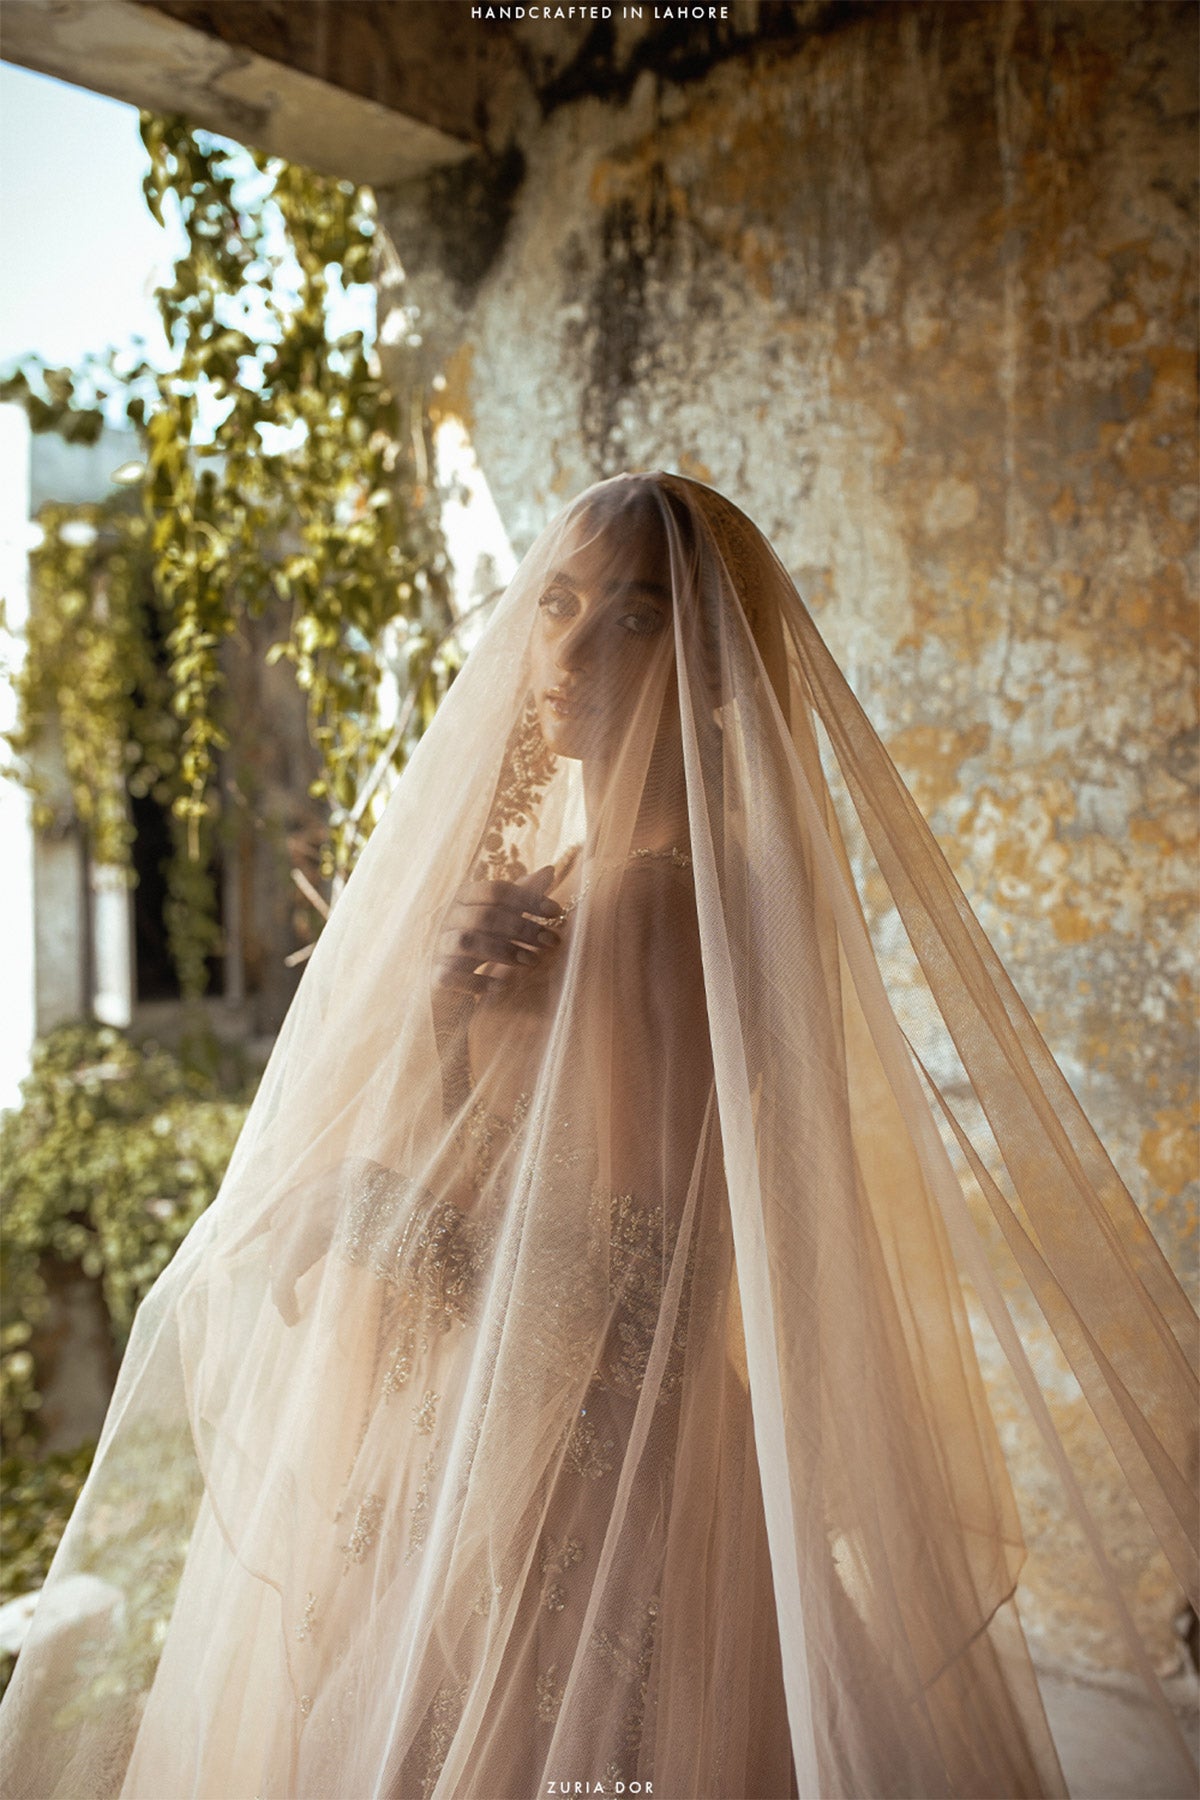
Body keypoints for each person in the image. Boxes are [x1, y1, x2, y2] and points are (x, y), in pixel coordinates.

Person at [1, 472, 1195, 1800]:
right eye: (556, 602)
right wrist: (456, 1023)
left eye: (626, 618)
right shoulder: (578, 888)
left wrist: (361, 1208)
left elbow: (627, 1292)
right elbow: (517, 1160)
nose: (562, 653)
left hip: (584, 1490)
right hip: (519, 1449)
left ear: (710, 663)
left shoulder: (656, 908)